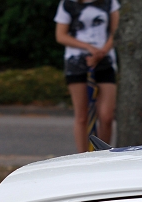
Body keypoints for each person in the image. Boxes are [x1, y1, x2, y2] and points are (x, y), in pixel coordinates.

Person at [55, 0, 120, 151]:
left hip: (104, 62)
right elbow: (61, 35)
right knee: (82, 115)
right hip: (77, 63)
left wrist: (101, 52)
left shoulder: (110, 3)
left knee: (106, 116)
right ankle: (83, 157)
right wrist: (88, 48)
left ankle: (104, 155)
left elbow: (116, 32)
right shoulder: (68, 4)